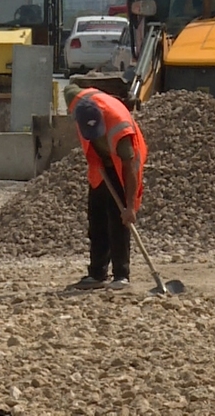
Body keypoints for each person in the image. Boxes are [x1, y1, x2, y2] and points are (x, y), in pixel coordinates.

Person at [64, 83, 148, 290]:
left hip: (121, 165)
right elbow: (70, 89)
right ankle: (97, 273)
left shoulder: (121, 130)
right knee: (97, 217)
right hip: (99, 164)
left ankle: (121, 274)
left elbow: (130, 170)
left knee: (118, 219)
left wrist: (130, 208)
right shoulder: (80, 105)